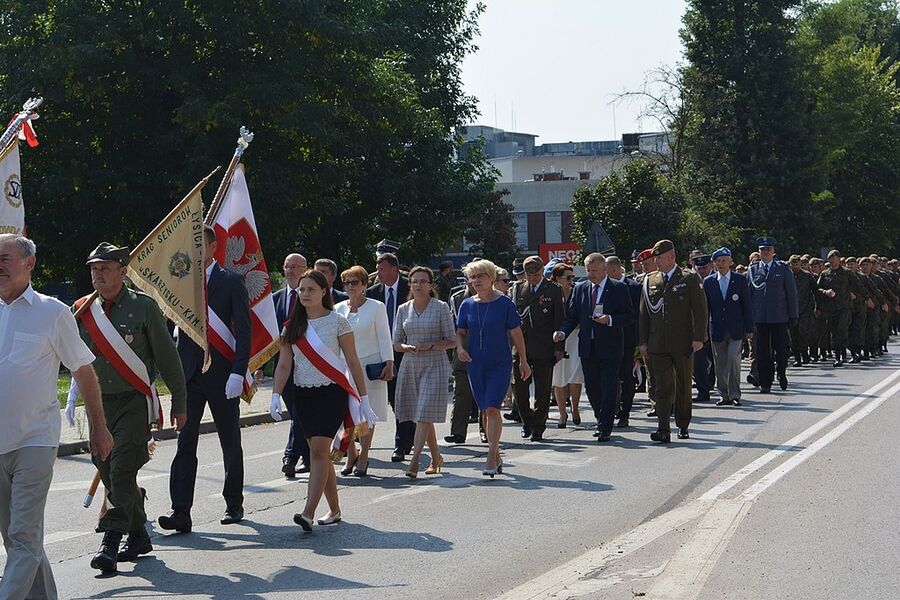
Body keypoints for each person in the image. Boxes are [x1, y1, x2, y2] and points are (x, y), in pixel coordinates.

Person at [0, 234, 112, 600]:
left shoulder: (53, 312)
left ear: (29, 264)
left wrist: (98, 426)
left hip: (34, 439)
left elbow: (83, 371)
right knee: (19, 539)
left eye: (5, 258)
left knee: (23, 535)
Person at [75, 243, 188, 573]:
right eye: (94, 268)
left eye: (105, 267)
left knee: (122, 469)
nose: (98, 272)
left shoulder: (144, 308)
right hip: (97, 406)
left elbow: (168, 358)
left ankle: (110, 541)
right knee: (110, 473)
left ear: (123, 271)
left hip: (133, 402)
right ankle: (139, 534)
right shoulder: (82, 310)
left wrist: (179, 403)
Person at [160, 225, 251, 532]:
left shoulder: (232, 281)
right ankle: (181, 511)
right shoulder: (180, 284)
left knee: (229, 441)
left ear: (213, 247)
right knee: (185, 443)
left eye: (201, 246)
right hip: (189, 377)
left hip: (223, 376)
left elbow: (244, 330)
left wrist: (239, 371)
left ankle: (233, 501)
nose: (195, 252)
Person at [270, 269, 369, 531]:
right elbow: (283, 365)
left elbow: (352, 361)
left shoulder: (338, 322)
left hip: (331, 393)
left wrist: (364, 398)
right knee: (320, 455)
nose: (304, 294)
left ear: (324, 292)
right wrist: (275, 395)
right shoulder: (291, 326)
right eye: (302, 289)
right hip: (303, 395)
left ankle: (307, 513)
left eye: (311, 289)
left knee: (317, 452)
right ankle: (335, 510)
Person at [456, 259, 530, 476]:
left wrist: (523, 360)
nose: (476, 281)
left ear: (491, 278)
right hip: (475, 363)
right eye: (473, 277)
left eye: (481, 276)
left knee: (492, 408)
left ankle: (490, 456)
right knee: (484, 410)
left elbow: (516, 333)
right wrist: (460, 348)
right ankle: (496, 454)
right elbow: (460, 332)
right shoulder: (466, 304)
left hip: (499, 363)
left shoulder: (505, 303)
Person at [554, 253, 633, 441]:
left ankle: (605, 426)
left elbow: (629, 315)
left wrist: (611, 319)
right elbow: (572, 315)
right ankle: (601, 417)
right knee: (592, 388)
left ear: (605, 269)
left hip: (610, 346)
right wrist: (563, 332)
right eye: (588, 270)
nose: (591, 274)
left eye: (595, 270)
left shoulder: (618, 288)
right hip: (587, 346)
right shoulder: (581, 288)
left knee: (608, 386)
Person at [638, 240, 708, 442]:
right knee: (661, 386)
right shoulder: (650, 280)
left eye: (659, 257)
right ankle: (663, 429)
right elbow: (644, 313)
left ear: (671, 256)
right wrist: (643, 341)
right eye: (655, 258)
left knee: (684, 386)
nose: (656, 261)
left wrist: (698, 338)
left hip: (682, 343)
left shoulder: (689, 278)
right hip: (658, 343)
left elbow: (700, 310)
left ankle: (683, 424)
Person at [392, 266, 457, 478]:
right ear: (410, 284)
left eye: (423, 281)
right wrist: (406, 347)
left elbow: (452, 340)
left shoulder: (440, 307)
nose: (418, 285)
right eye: (414, 281)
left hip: (434, 364)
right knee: (423, 415)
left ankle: (415, 460)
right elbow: (396, 342)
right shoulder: (403, 309)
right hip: (411, 364)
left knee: (422, 414)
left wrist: (430, 345)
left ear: (430, 285)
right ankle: (436, 457)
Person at [334, 265, 394, 477]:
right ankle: (351, 453)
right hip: (344, 368)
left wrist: (389, 362)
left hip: (370, 367)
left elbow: (384, 337)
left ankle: (365, 455)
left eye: (355, 282)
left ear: (364, 285)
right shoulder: (338, 308)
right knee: (345, 413)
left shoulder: (376, 307)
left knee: (367, 414)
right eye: (347, 282)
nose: (350, 286)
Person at [509, 255, 565, 441]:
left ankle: (539, 426)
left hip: (544, 346)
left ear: (542, 272)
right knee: (520, 389)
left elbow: (559, 320)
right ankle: (527, 420)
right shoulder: (517, 289)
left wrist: (558, 348)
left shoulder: (553, 289)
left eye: (536, 274)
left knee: (542, 389)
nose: (533, 278)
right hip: (521, 346)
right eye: (529, 275)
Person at [265, 253, 310, 478]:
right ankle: (310, 456)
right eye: (287, 266)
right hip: (283, 366)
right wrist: (257, 367)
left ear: (305, 269)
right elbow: (268, 338)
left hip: (309, 365)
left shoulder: (314, 297)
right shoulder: (275, 299)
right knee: (297, 412)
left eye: (295, 267)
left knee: (301, 411)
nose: (291, 271)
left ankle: (290, 456)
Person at [366, 252, 413, 462]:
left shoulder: (410, 289)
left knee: (401, 401)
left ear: (394, 269)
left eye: (382, 268)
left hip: (405, 353)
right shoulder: (373, 293)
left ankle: (402, 444)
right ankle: (358, 445)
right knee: (373, 400)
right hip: (379, 356)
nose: (378, 272)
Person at [703, 247, 753, 407]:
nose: (721, 264)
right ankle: (724, 395)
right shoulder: (709, 282)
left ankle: (735, 394)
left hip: (735, 329)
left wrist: (749, 328)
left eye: (724, 260)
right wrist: (703, 331)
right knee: (720, 364)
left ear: (730, 262)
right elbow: (706, 309)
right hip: (717, 329)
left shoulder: (739, 280)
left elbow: (747, 305)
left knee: (733, 360)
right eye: (718, 261)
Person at [747, 236, 798, 392]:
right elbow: (749, 296)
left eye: (768, 250)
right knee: (762, 352)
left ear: (773, 251)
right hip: (760, 318)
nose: (765, 252)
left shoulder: (782, 268)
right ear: (759, 252)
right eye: (762, 250)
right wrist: (749, 319)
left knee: (781, 349)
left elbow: (791, 293)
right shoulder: (753, 269)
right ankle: (765, 382)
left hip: (779, 317)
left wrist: (793, 315)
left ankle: (781, 372)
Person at [606, 255, 641, 428]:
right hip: (608, 339)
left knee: (626, 376)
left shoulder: (634, 288)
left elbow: (637, 316)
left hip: (627, 339)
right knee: (609, 377)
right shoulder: (604, 287)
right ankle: (611, 410)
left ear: (613, 270)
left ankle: (625, 412)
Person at [550, 263, 583, 428]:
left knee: (576, 375)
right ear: (557, 278)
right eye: (567, 277)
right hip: (557, 340)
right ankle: (562, 414)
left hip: (575, 338)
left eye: (573, 277)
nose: (571, 280)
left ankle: (575, 409)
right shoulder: (551, 294)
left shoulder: (577, 293)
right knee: (559, 376)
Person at [816, 249, 852, 367]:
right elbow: (817, 289)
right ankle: (838, 356)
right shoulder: (825, 274)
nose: (832, 260)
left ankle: (842, 352)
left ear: (839, 259)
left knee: (842, 329)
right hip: (831, 309)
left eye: (834, 258)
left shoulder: (847, 273)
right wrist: (825, 292)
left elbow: (858, 286)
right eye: (830, 258)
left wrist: (867, 298)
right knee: (834, 333)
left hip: (844, 307)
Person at [690, 254, 716, 402]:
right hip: (698, 327)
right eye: (698, 268)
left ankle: (712, 382)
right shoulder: (691, 281)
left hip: (714, 324)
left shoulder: (714, 280)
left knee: (713, 358)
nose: (701, 271)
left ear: (710, 266)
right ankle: (703, 389)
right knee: (698, 360)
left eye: (704, 268)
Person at [789, 254, 817, 366]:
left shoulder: (807, 276)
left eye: (797, 263)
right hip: (791, 310)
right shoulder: (788, 276)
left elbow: (815, 290)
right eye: (793, 263)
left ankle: (805, 354)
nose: (795, 265)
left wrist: (817, 306)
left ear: (801, 264)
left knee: (803, 333)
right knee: (794, 335)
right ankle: (797, 357)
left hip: (805, 309)